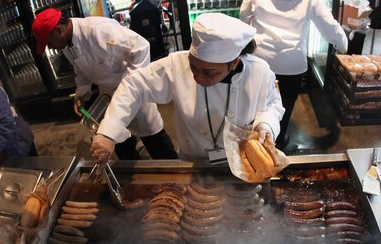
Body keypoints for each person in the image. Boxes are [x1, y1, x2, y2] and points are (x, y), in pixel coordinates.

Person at [90, 13, 284, 164]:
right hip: (193, 163)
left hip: (244, 163)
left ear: (233, 63)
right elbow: (134, 85)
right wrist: (108, 132)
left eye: (209, 72)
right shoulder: (176, 64)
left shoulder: (260, 72)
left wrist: (265, 125)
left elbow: (272, 105)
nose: (198, 77)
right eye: (193, 66)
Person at [31, 8, 177, 160]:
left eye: (49, 42)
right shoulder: (67, 45)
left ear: (58, 30)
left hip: (134, 96)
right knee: (122, 148)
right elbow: (81, 69)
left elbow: (141, 47)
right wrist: (82, 92)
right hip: (109, 98)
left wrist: (134, 85)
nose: (50, 47)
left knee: (157, 145)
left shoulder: (99, 30)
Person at [239, 0, 348, 148]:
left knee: (257, 100)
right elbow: (328, 24)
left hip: (260, 60)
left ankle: (254, 142)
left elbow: (244, 16)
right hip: (292, 64)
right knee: (284, 104)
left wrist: (244, 45)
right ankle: (278, 141)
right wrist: (342, 43)